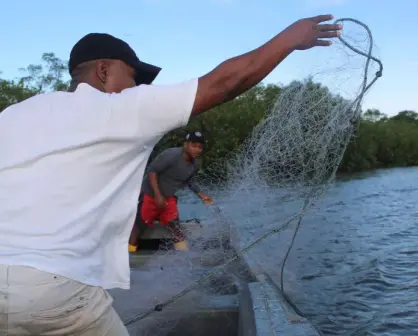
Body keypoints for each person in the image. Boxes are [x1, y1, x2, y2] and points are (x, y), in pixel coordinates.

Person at [0, 15, 342, 335]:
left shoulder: (16, 114)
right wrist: (290, 38)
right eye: (133, 76)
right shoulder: (119, 108)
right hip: (52, 292)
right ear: (104, 71)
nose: (136, 86)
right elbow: (226, 82)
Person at [128, 131, 213, 253]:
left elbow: (189, 180)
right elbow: (152, 171)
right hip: (150, 195)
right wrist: (157, 195)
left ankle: (183, 258)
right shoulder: (171, 155)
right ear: (186, 145)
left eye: (200, 147)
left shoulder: (195, 164)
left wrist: (201, 194)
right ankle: (129, 255)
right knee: (139, 227)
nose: (197, 150)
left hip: (168, 198)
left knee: (177, 229)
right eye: (193, 146)